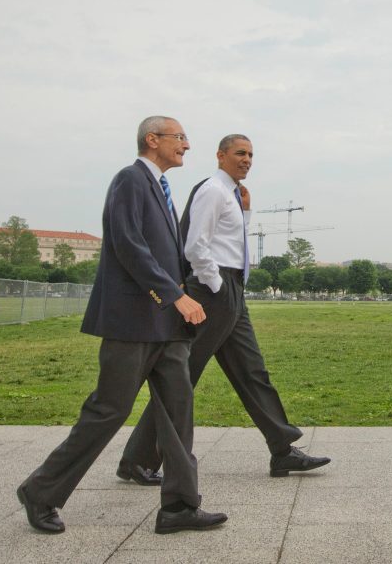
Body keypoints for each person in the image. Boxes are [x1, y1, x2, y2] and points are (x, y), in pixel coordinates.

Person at [16, 116, 227, 535]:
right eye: (180, 137)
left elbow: (166, 254)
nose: (187, 145)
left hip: (166, 329)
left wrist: (187, 294)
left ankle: (180, 507)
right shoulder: (130, 180)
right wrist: (174, 295)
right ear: (153, 140)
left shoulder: (162, 188)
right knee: (108, 411)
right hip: (133, 324)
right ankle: (41, 492)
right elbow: (128, 245)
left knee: (178, 414)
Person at [120, 134, 330, 479]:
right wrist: (216, 286)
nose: (247, 159)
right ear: (220, 155)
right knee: (181, 377)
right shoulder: (213, 191)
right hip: (214, 290)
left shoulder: (233, 195)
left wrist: (246, 213)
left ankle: (282, 449)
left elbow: (230, 240)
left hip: (232, 291)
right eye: (239, 153)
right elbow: (195, 246)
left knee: (252, 372)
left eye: (251, 154)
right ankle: (138, 460)